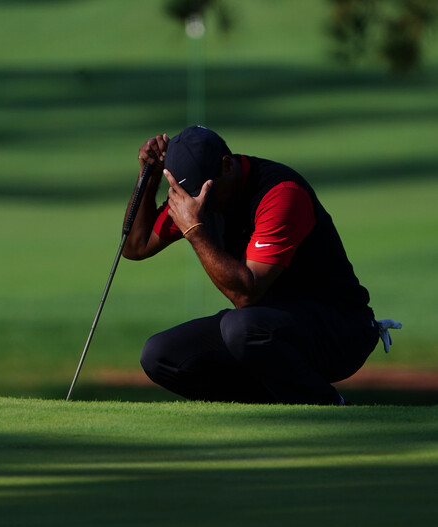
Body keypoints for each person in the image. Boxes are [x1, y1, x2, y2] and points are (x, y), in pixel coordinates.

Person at [122, 126, 380, 405]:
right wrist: (148, 178)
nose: (199, 204)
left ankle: (330, 405)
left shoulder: (280, 193)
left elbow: (246, 294)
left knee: (241, 328)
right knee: (160, 355)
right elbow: (135, 246)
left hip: (338, 329)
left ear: (227, 165)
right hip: (266, 326)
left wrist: (195, 230)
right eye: (189, 196)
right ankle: (272, 405)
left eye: (203, 193)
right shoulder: (198, 195)